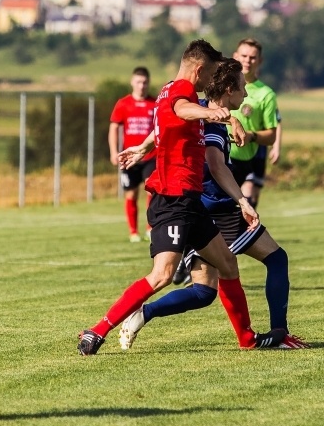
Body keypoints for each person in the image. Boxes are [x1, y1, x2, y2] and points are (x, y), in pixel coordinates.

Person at [77, 39, 285, 356]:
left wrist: (143, 147)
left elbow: (168, 120)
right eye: (210, 74)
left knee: (227, 265)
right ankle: (97, 330)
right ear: (199, 70)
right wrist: (221, 115)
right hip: (173, 199)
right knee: (162, 275)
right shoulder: (181, 93)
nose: (211, 82)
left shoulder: (168, 91)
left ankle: (247, 338)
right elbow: (181, 110)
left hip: (191, 201)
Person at [117, 59, 308, 351]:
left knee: (204, 292)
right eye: (242, 88)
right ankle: (279, 334)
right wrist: (243, 201)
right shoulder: (213, 125)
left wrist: (143, 148)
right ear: (229, 89)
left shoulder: (200, 108)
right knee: (276, 259)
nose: (246, 93)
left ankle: (144, 313)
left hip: (201, 209)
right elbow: (217, 166)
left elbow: (167, 125)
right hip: (218, 209)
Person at [229, 38, 280, 208]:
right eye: (244, 56)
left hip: (244, 160)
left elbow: (271, 135)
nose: (247, 61)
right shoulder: (221, 85)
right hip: (218, 155)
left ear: (260, 61)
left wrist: (251, 136)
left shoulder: (266, 94)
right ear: (235, 56)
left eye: (252, 57)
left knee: (246, 203)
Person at [108, 66, 156, 242]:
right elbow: (114, 128)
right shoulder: (123, 103)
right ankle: (133, 232)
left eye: (145, 82)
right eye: (138, 82)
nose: (142, 86)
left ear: (148, 83)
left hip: (151, 156)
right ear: (132, 82)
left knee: (152, 191)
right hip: (129, 157)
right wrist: (114, 152)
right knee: (131, 194)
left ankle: (150, 228)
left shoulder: (155, 103)